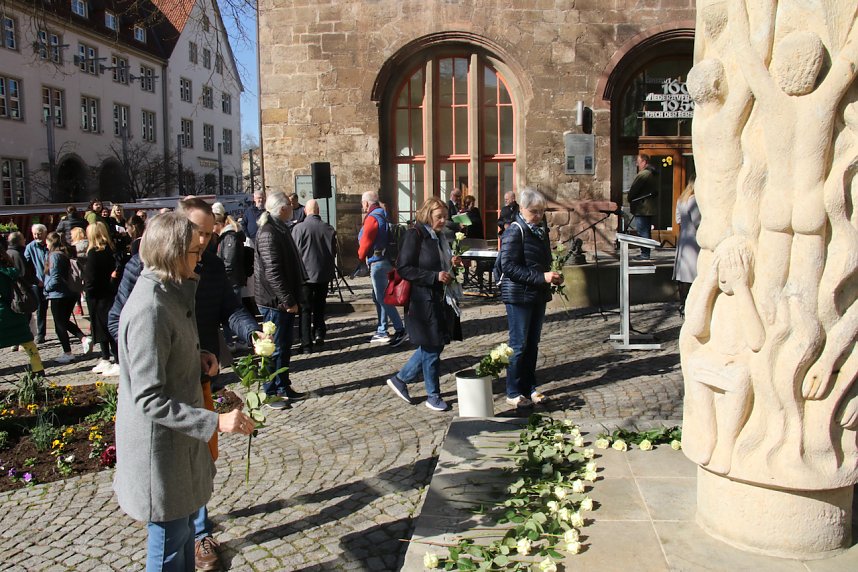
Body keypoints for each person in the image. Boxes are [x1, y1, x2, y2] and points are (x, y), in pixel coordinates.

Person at [109, 198, 259, 571]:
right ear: (172, 253)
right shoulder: (149, 307)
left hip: (176, 444)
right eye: (194, 250)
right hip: (159, 451)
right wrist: (216, 422)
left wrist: (199, 355)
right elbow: (147, 397)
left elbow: (171, 348)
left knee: (179, 541)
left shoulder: (170, 292)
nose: (200, 257)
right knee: (169, 550)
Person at [385, 197, 463, 412]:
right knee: (431, 346)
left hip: (439, 299)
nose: (443, 221)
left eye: (445, 217)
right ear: (428, 215)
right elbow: (404, 268)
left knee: (435, 344)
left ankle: (401, 379)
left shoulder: (438, 237)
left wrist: (450, 263)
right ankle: (433, 395)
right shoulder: (415, 234)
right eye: (439, 217)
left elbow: (438, 264)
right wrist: (434, 276)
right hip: (422, 301)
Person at [499, 188, 562, 408]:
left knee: (532, 344)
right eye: (534, 211)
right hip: (517, 295)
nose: (538, 216)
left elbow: (540, 262)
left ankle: (529, 387)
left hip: (536, 293)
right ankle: (513, 391)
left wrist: (551, 276)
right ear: (522, 209)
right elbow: (507, 266)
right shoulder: (515, 231)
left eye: (541, 212)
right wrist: (541, 276)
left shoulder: (539, 231)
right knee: (519, 345)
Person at [254, 191, 306, 407]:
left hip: (280, 301)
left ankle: (283, 386)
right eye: (290, 204)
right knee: (273, 349)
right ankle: (270, 392)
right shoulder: (268, 232)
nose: (293, 206)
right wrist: (288, 300)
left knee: (283, 347)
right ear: (283, 208)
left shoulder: (279, 228)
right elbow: (273, 272)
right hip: (274, 302)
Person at [357, 190, 407, 346]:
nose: (362, 206)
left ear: (366, 203)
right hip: (385, 260)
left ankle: (400, 329)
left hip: (378, 262)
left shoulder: (372, 217)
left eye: (362, 204)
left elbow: (365, 242)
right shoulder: (383, 214)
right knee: (378, 296)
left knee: (382, 297)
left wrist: (360, 256)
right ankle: (382, 330)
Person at [291, 199, 336, 351]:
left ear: (305, 211)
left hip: (305, 275)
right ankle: (319, 333)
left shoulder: (299, 228)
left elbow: (295, 253)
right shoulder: (328, 228)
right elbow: (333, 253)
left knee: (304, 309)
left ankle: (306, 343)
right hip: (323, 274)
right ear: (318, 210)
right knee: (320, 305)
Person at [0, 236, 46, 377]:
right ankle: (38, 369)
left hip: (2, 311)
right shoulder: (10, 269)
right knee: (26, 340)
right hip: (17, 309)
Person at [43, 232, 91, 364]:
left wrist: (46, 288)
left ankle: (67, 352)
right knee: (63, 321)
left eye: (47, 242)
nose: (45, 245)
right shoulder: (65, 254)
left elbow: (55, 277)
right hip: (69, 293)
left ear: (51, 242)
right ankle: (83, 339)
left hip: (59, 294)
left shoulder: (55, 256)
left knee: (59, 324)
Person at [83, 222, 120, 376]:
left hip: (98, 295)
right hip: (110, 292)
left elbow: (91, 278)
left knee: (104, 328)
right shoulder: (112, 250)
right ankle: (106, 358)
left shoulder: (93, 253)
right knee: (105, 328)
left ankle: (116, 360)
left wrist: (87, 290)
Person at [212, 203, 248, 349]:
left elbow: (229, 263)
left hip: (231, 281)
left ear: (219, 224)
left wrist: (220, 278)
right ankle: (233, 340)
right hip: (230, 280)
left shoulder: (229, 238)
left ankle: (236, 341)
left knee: (232, 311)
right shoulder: (225, 237)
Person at [673, 181, 701, 317]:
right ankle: (688, 304)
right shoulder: (693, 200)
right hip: (693, 239)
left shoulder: (681, 200)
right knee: (692, 272)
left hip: (683, 237)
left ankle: (682, 303)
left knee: (683, 274)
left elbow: (678, 219)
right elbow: (697, 221)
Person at [628, 154, 659, 260]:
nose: (637, 164)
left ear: (644, 162)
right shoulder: (651, 174)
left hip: (642, 208)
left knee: (643, 231)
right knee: (645, 230)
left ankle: (645, 254)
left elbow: (634, 190)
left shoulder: (644, 174)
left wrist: (630, 198)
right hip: (646, 207)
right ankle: (645, 252)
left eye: (638, 161)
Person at [24, 223, 49, 343]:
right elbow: (26, 264)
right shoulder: (30, 247)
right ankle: (41, 333)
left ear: (44, 233)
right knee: (40, 308)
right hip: (38, 282)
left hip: (51, 281)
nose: (36, 236)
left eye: (39, 233)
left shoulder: (50, 245)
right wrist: (34, 279)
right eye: (34, 234)